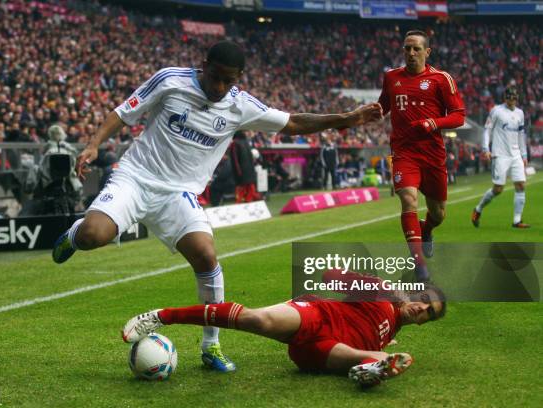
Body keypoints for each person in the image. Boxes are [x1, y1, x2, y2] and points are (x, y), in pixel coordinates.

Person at [52, 41, 383, 372]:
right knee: (94, 235)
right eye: (215, 77)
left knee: (206, 256)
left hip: (178, 194)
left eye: (229, 80)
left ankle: (211, 346)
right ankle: (76, 233)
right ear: (204, 65)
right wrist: (94, 145)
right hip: (135, 178)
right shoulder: (170, 80)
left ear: (239, 77)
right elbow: (123, 112)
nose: (220, 87)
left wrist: (348, 118)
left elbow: (293, 122)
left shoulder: (240, 105)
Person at [122, 270, 446, 387]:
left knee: (378, 354)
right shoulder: (381, 291)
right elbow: (329, 276)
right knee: (256, 319)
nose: (421, 309)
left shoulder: (390, 333)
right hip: (315, 315)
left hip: (319, 353)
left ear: (422, 322)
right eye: (423, 300)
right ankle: (163, 316)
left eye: (427, 314)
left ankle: (369, 368)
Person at [378, 30, 465, 282]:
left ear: (427, 52)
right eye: (407, 48)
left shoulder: (441, 79)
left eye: (416, 49)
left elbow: (459, 115)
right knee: (408, 200)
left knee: (438, 214)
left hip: (432, 154)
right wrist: (359, 116)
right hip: (404, 152)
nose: (411, 53)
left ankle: (426, 230)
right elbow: (383, 106)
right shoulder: (392, 77)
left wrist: (433, 123)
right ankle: (419, 264)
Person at [472, 87, 529, 228]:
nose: (512, 100)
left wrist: (524, 154)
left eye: (515, 97)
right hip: (500, 155)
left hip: (515, 154)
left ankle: (517, 221)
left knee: (521, 185)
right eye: (510, 97)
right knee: (498, 189)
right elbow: (487, 130)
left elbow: (521, 135)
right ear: (505, 98)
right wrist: (486, 148)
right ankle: (478, 209)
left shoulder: (520, 113)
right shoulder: (496, 111)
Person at [229, 131, 259, 202]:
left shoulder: (235, 143)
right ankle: (249, 201)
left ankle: (239, 203)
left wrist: (238, 172)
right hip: (250, 170)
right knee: (250, 189)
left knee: (241, 191)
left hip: (241, 172)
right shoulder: (246, 142)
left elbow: (235, 160)